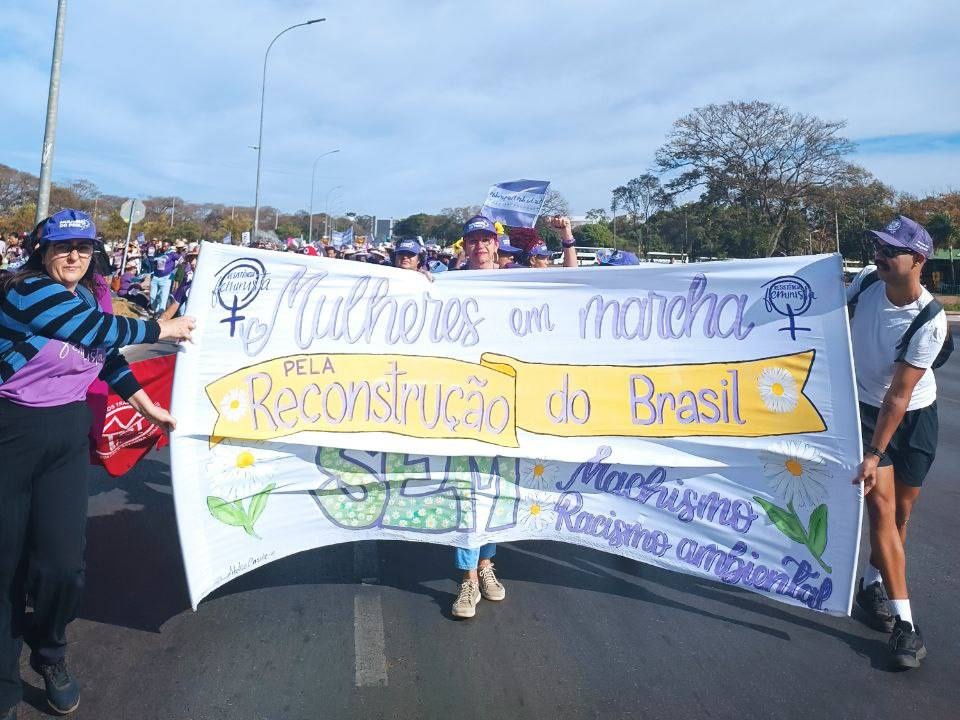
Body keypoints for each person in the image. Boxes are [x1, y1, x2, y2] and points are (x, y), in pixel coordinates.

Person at [0, 210, 194, 718]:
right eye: (64, 248)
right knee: (5, 564)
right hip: (10, 432)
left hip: (64, 434)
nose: (74, 257)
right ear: (41, 251)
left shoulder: (85, 294)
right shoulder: (27, 291)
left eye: (84, 249)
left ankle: (51, 653)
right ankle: (3, 677)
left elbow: (102, 351)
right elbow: (95, 328)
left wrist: (146, 405)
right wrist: (161, 326)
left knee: (63, 565)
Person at [847, 215, 948, 670]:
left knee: (902, 514)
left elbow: (901, 395)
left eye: (891, 250)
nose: (880, 256)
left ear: (919, 260)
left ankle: (872, 587)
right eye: (879, 247)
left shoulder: (930, 319)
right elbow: (822, 306)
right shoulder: (867, 282)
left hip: (914, 416)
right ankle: (907, 626)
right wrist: (871, 454)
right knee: (882, 511)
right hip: (868, 412)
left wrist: (876, 450)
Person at [450, 215, 507, 619]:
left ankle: (487, 565)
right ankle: (468, 580)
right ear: (464, 247)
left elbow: (572, 288)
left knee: (494, 488)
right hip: (458, 402)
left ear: (496, 246)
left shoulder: (518, 282)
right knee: (465, 490)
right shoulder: (445, 283)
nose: (480, 246)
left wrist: (567, 238)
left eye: (486, 239)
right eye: (473, 240)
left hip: (505, 403)